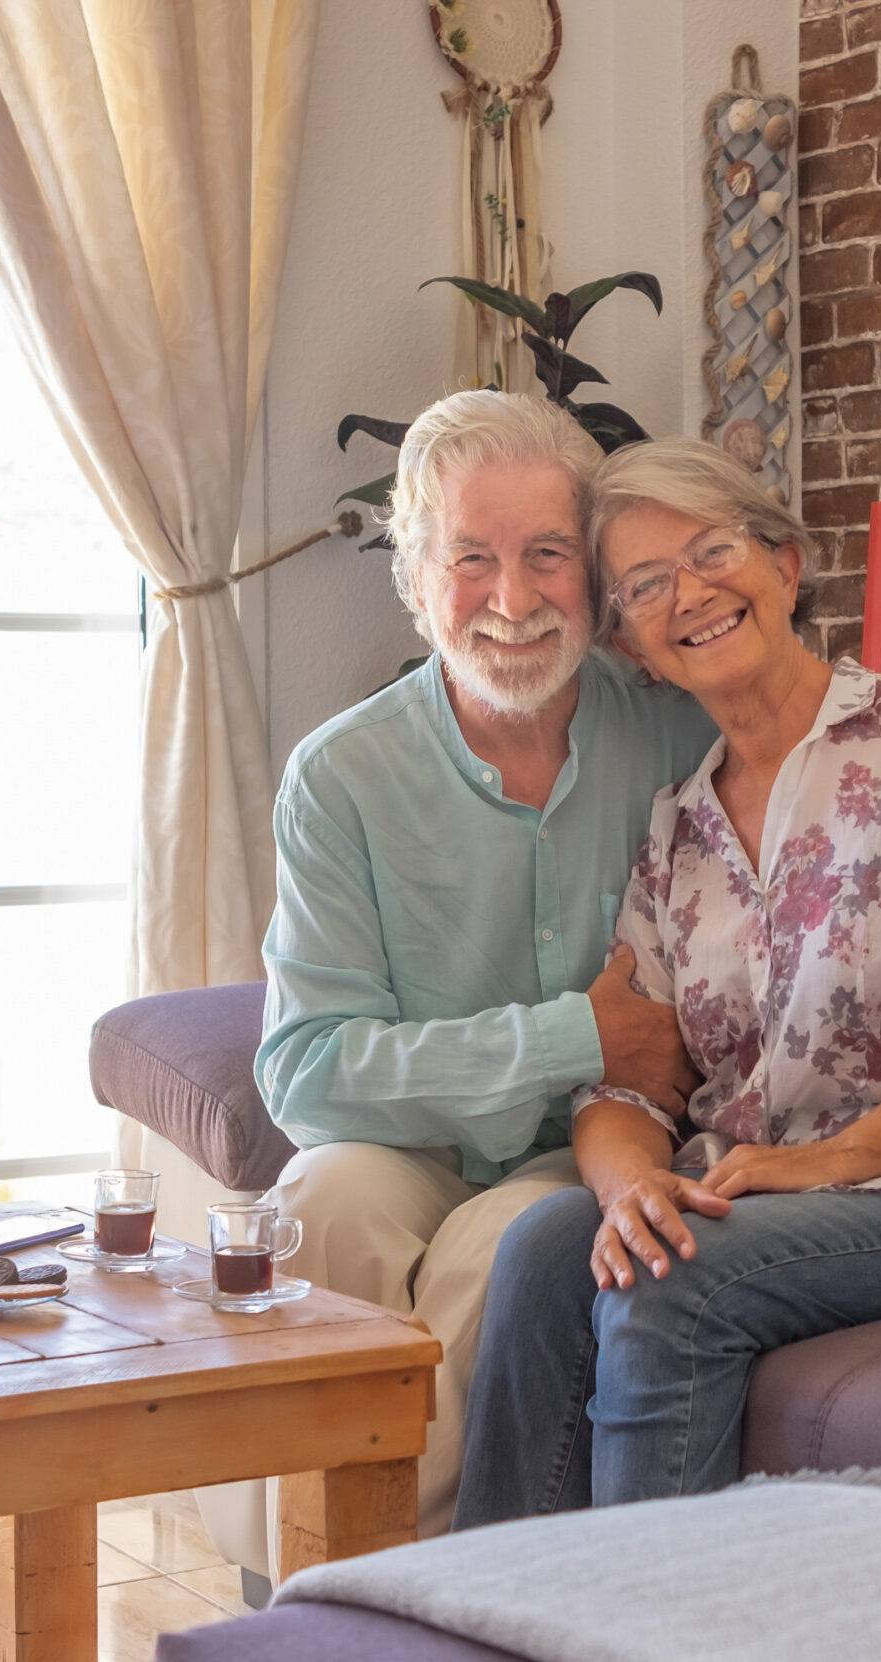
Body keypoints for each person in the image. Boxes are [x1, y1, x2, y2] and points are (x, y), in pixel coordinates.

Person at [455, 441, 881, 1524]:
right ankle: (490, 1626)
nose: (689, 594)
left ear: (784, 562)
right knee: (546, 1244)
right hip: (775, 1197)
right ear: (631, 644)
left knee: (669, 1276)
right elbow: (630, 1084)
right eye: (644, 586)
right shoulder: (675, 831)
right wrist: (630, 1187)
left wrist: (817, 1165)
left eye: (712, 551)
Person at [251, 391, 719, 1544]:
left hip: (587, 1147)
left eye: (546, 556)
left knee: (504, 1246)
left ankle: (381, 1597)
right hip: (406, 1147)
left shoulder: (676, 738)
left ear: (593, 577)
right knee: (317, 1202)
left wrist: (602, 1069)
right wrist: (575, 1034)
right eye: (471, 559)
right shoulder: (340, 778)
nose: (512, 602)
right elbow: (304, 1073)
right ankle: (317, 1581)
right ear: (415, 581)